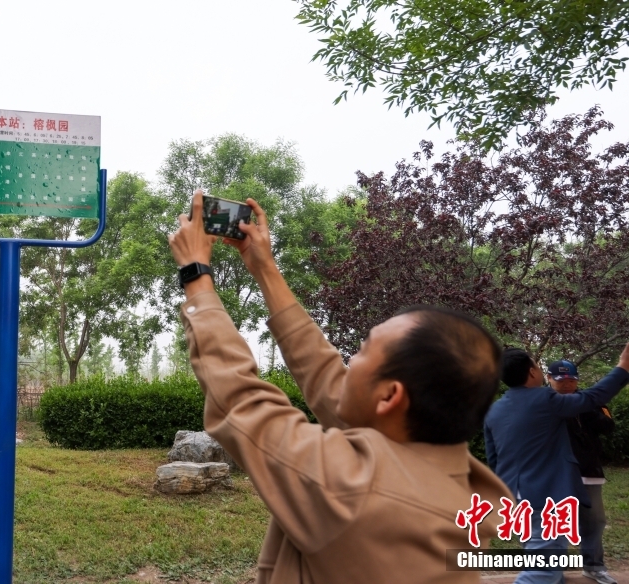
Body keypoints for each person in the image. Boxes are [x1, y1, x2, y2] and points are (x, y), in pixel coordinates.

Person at [167, 190, 512, 583]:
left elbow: (242, 404)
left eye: (363, 350)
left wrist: (196, 274)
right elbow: (327, 379)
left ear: (390, 396)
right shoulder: (448, 476)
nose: (347, 362)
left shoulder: (355, 493)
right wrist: (265, 268)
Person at [484, 349, 629, 584]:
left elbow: (494, 458)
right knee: (543, 570)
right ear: (533, 372)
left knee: (542, 558)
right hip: (545, 494)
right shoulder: (545, 399)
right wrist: (623, 366)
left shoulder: (494, 410)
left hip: (514, 494)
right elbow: (594, 396)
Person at [546, 359, 618, 584]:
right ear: (549, 379)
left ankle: (593, 567)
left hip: (588, 471)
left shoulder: (591, 400)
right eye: (561, 380)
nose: (567, 384)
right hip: (554, 472)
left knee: (594, 521)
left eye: (571, 380)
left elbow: (608, 426)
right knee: (555, 521)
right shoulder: (541, 402)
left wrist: (583, 407)